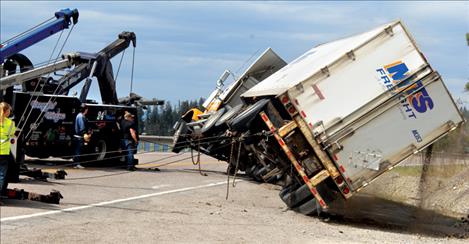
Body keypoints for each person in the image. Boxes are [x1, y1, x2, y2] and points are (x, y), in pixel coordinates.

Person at [0, 102, 15, 204]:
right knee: (1, 176)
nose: (10, 111)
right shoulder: (10, 123)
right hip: (3, 153)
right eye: (9, 110)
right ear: (6, 112)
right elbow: (12, 136)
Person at [73, 104, 89, 169]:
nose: (87, 111)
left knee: (77, 150)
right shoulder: (81, 116)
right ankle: (77, 164)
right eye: (87, 109)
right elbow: (82, 127)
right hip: (79, 136)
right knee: (78, 150)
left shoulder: (79, 115)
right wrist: (85, 134)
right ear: (85, 109)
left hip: (77, 136)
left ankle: (76, 164)